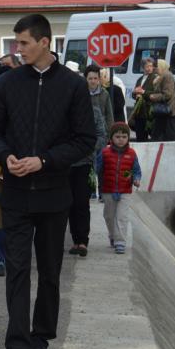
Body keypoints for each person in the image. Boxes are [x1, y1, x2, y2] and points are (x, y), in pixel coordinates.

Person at [0, 14, 96, 349]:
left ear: (45, 42)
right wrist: (5, 156)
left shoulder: (73, 86)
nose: (18, 50)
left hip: (53, 194)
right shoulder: (9, 84)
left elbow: (85, 140)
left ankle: (41, 339)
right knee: (17, 270)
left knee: (49, 271)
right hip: (15, 194)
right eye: (16, 44)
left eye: (24, 43)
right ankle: (17, 346)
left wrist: (43, 161)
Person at [67, 64, 116, 257]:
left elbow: (101, 135)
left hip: (85, 162)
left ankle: (83, 241)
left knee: (82, 202)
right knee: (69, 203)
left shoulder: (95, 111)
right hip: (67, 164)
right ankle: (75, 239)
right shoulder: (66, 112)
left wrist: (88, 151)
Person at [94, 123, 141, 254]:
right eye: (117, 136)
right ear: (111, 138)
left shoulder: (131, 154)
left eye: (124, 136)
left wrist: (136, 179)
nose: (121, 139)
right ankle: (112, 236)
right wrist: (93, 177)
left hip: (125, 191)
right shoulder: (105, 153)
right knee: (109, 216)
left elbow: (136, 170)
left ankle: (120, 241)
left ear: (128, 138)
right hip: (108, 190)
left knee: (122, 216)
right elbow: (97, 169)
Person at [148, 58, 175, 141]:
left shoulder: (167, 76)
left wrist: (154, 96)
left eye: (156, 67)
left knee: (169, 136)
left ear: (162, 67)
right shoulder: (161, 76)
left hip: (168, 110)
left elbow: (168, 94)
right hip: (162, 112)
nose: (155, 69)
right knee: (158, 135)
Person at [130, 56, 158, 142]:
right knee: (140, 136)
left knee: (151, 137)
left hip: (149, 112)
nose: (149, 68)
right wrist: (135, 94)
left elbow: (156, 93)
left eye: (151, 66)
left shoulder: (155, 78)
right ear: (143, 67)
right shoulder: (140, 79)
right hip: (139, 112)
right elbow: (134, 93)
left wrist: (143, 92)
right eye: (147, 66)